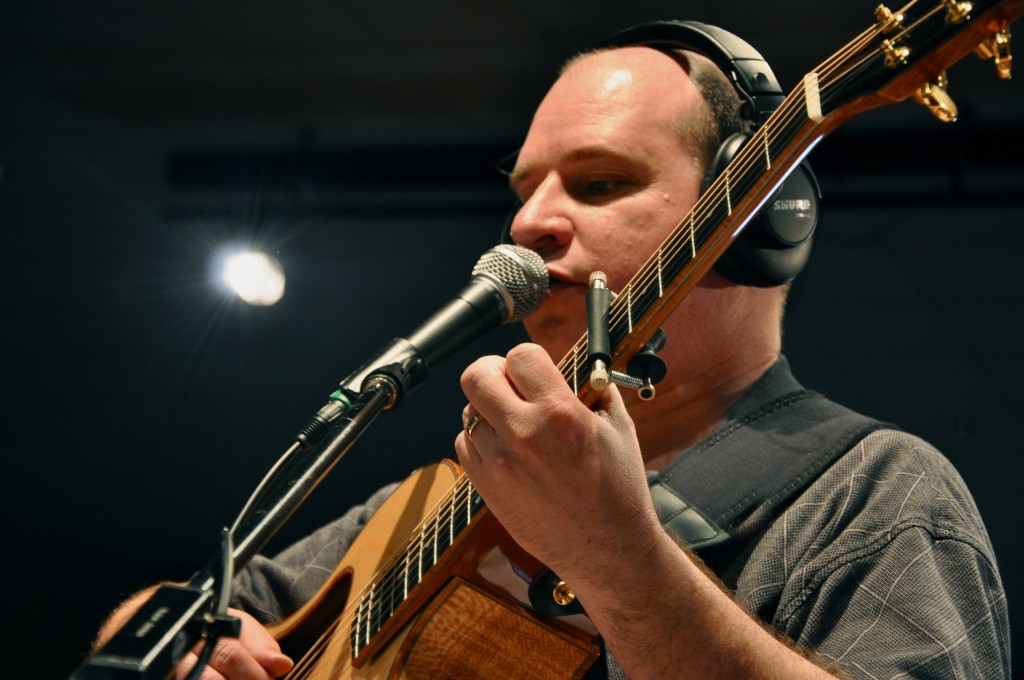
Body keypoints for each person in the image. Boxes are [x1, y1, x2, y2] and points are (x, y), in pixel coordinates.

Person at [91, 36, 1010, 680]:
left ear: (759, 218)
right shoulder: (436, 502)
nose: (529, 224)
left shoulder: (876, 495)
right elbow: (182, 607)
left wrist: (616, 558)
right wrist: (176, 643)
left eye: (601, 183)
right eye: (526, 191)